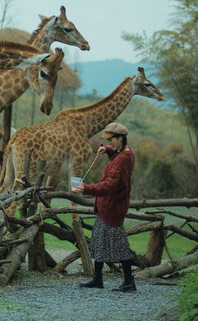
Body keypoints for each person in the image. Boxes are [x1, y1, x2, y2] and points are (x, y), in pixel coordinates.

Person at [73, 122, 136, 292]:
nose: (110, 143)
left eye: (112, 140)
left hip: (112, 208)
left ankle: (129, 282)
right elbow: (115, 157)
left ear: (121, 138)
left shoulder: (123, 160)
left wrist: (87, 188)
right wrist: (107, 150)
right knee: (99, 241)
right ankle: (98, 279)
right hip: (107, 207)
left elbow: (111, 185)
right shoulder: (124, 153)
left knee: (120, 245)